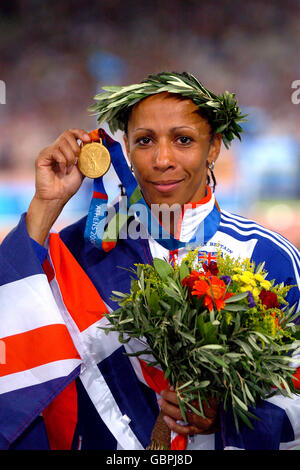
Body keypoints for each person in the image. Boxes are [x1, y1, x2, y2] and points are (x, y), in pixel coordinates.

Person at [0, 72, 299, 451]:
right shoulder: (79, 249)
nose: (161, 159)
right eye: (144, 141)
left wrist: (225, 414)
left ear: (214, 148)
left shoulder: (270, 257)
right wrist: (45, 205)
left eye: (183, 140)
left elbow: (296, 394)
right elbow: (10, 330)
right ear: (125, 148)